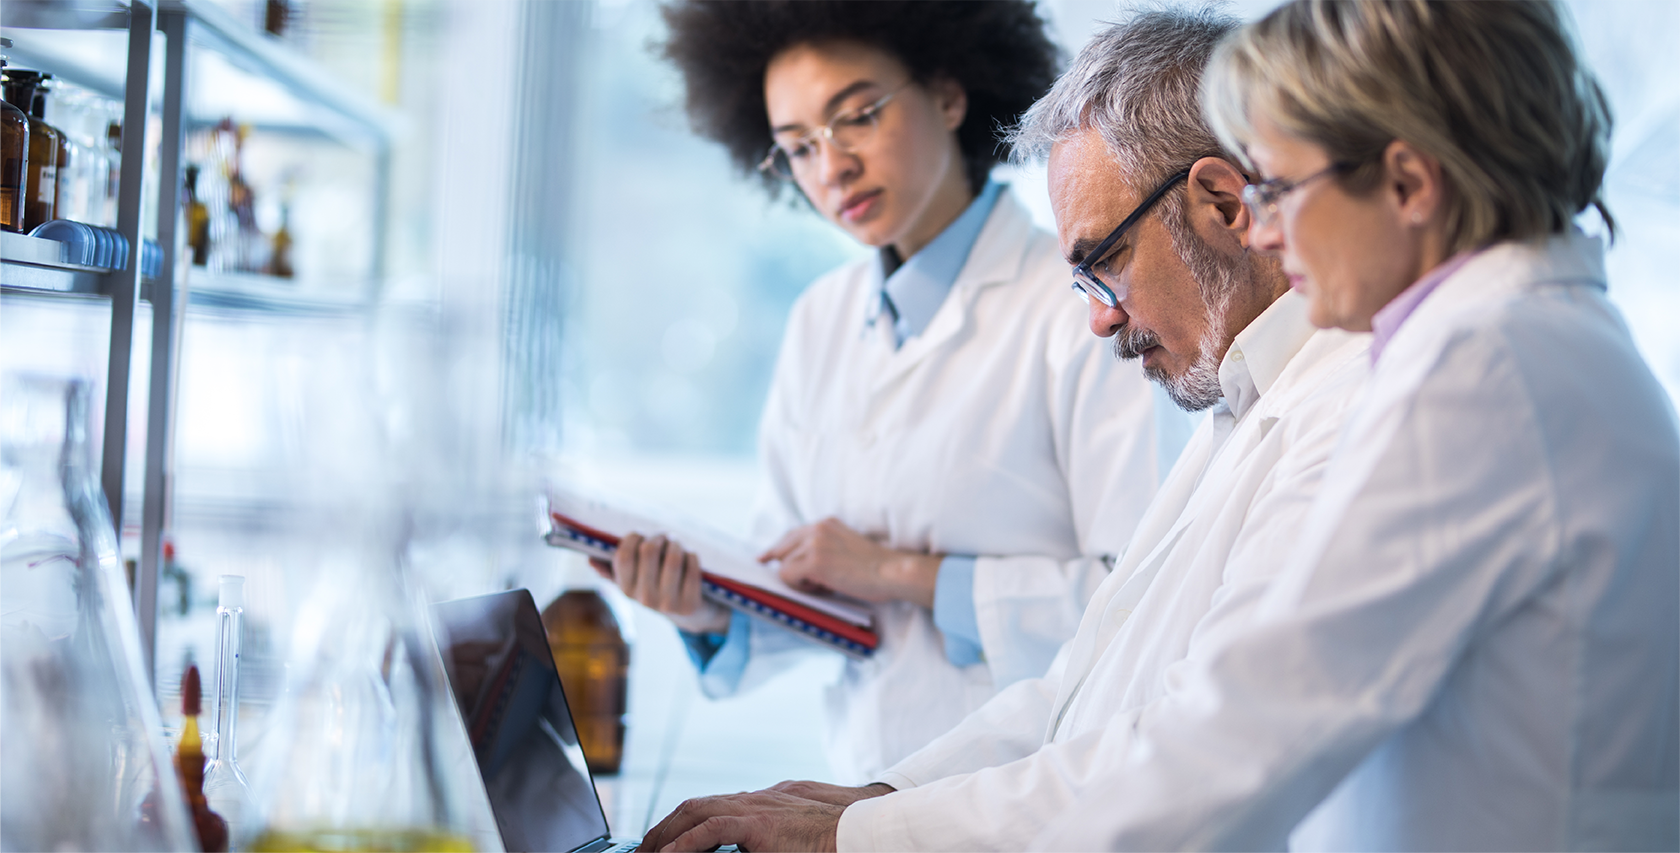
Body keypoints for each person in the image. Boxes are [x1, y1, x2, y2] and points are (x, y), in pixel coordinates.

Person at [635, 9, 1380, 852]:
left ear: (1223, 204)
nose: (1099, 320)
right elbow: (1080, 686)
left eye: (1104, 262)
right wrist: (872, 797)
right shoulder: (1239, 396)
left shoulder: (1326, 401)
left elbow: (1201, 743)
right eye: (798, 145)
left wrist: (863, 822)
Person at [1024, 0, 1680, 850]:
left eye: (1279, 189)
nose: (1261, 230)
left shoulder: (1481, 375)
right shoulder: (1532, 341)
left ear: (1407, 185)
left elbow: (1246, 738)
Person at [603, 0, 1187, 783]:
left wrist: (897, 572)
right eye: (798, 146)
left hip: (1039, 795)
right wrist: (706, 609)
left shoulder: (1083, 303)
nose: (831, 166)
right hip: (862, 798)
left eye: (857, 117)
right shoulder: (819, 321)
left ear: (947, 95)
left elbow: (1140, 601)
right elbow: (809, 586)